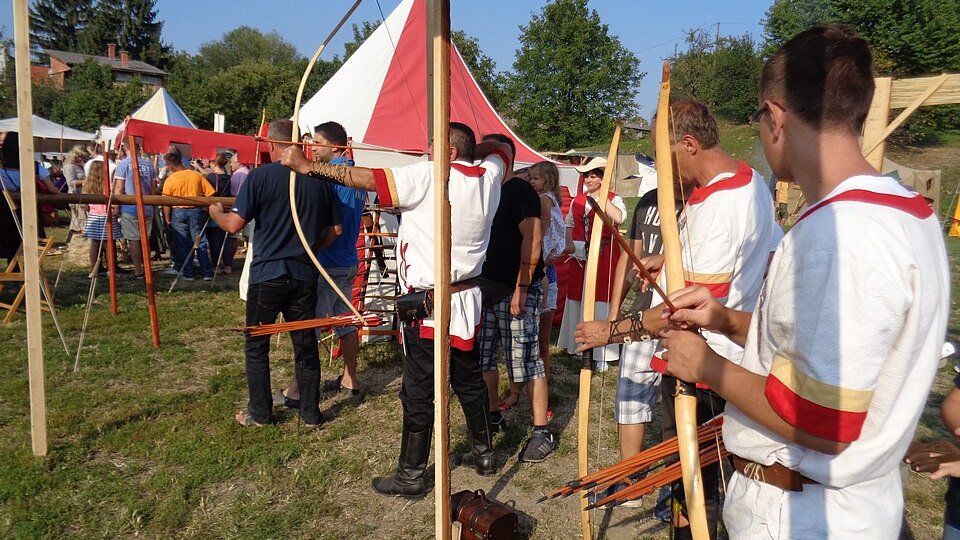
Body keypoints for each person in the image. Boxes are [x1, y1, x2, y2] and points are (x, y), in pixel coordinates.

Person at [652, 25, 949, 539]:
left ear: (776, 117)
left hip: (804, 514)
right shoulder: (907, 213)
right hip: (841, 505)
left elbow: (824, 420)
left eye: (759, 118)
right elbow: (817, 354)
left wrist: (708, 366)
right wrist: (725, 320)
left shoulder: (841, 233)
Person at [575, 99, 780, 536]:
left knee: (701, 491)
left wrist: (609, 332)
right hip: (714, 361)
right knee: (693, 479)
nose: (661, 171)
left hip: (707, 370)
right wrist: (666, 259)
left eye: (663, 155)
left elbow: (682, 316)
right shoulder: (749, 182)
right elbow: (743, 259)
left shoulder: (722, 205)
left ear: (688, 144)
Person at [280, 122, 513, 498]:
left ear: (449, 153)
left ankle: (411, 474)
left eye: (433, 146)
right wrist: (468, 148)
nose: (426, 152)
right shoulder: (489, 174)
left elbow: (366, 179)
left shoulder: (430, 174)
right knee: (467, 379)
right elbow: (502, 148)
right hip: (467, 300)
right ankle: (484, 454)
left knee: (419, 388)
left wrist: (307, 167)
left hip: (428, 305)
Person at [209, 119, 340, 428]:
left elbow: (233, 225)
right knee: (305, 343)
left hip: (267, 273)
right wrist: (309, 249)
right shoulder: (319, 179)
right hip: (303, 274)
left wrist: (216, 212)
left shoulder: (261, 177)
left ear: (271, 144)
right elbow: (334, 231)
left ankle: (261, 412)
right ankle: (310, 413)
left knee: (257, 345)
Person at [474, 135, 556, 465]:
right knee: (484, 357)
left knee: (526, 358)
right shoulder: (483, 190)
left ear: (503, 158)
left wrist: (523, 288)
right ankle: (492, 415)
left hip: (515, 290)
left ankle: (541, 431)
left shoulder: (520, 191)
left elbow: (533, 240)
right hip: (486, 287)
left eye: (489, 155)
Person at [278, 122, 365, 409]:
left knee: (311, 325)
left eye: (318, 142)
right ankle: (350, 379)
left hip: (327, 260)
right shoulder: (353, 173)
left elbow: (329, 224)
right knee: (345, 322)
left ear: (335, 146)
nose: (313, 147)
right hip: (346, 259)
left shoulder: (334, 176)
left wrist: (307, 249)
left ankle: (297, 389)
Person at [557, 157, 626, 371]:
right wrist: (570, 243)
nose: (588, 179)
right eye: (586, 175)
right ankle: (580, 345)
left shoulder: (615, 199)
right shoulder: (579, 200)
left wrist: (603, 198)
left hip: (605, 255)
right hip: (581, 255)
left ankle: (603, 353)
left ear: (603, 179)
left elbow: (619, 218)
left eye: (593, 175)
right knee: (579, 298)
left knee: (600, 300)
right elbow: (569, 222)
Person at [0, 131, 60, 258]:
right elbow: (52, 189)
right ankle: (20, 274)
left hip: (4, 210)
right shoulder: (35, 167)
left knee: (8, 243)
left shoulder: (1, 167)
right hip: (27, 211)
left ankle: (13, 273)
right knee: (25, 245)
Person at [161, 150, 216, 281]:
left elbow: (166, 202)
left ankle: (188, 273)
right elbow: (211, 194)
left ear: (170, 166)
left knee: (183, 243)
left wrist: (167, 219)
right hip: (196, 211)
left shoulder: (170, 179)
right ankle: (207, 272)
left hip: (178, 212)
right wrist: (205, 207)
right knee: (200, 242)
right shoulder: (196, 175)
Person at [113, 140, 158, 279]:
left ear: (125, 149)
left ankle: (138, 270)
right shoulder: (149, 164)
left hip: (130, 207)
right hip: (147, 207)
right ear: (139, 148)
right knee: (145, 239)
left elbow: (119, 188)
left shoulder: (123, 165)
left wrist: (115, 206)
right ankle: (147, 268)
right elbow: (152, 189)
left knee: (134, 240)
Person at [81, 158, 121, 278]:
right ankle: (111, 269)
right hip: (106, 215)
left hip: (94, 216)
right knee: (109, 243)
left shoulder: (87, 185)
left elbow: (84, 204)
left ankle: (94, 269)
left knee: (94, 243)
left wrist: (89, 208)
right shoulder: (109, 185)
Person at [205, 153, 234, 274]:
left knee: (214, 241)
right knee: (225, 240)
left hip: (215, 210)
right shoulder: (228, 177)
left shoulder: (211, 177)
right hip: (227, 209)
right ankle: (228, 265)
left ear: (213, 163)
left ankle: (216, 266)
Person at [63, 145, 90, 241]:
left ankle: (73, 241)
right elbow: (71, 182)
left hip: (83, 195)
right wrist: (86, 181)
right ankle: (75, 241)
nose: (82, 159)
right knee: (79, 221)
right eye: (81, 156)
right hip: (75, 196)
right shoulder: (69, 167)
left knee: (80, 221)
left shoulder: (81, 165)